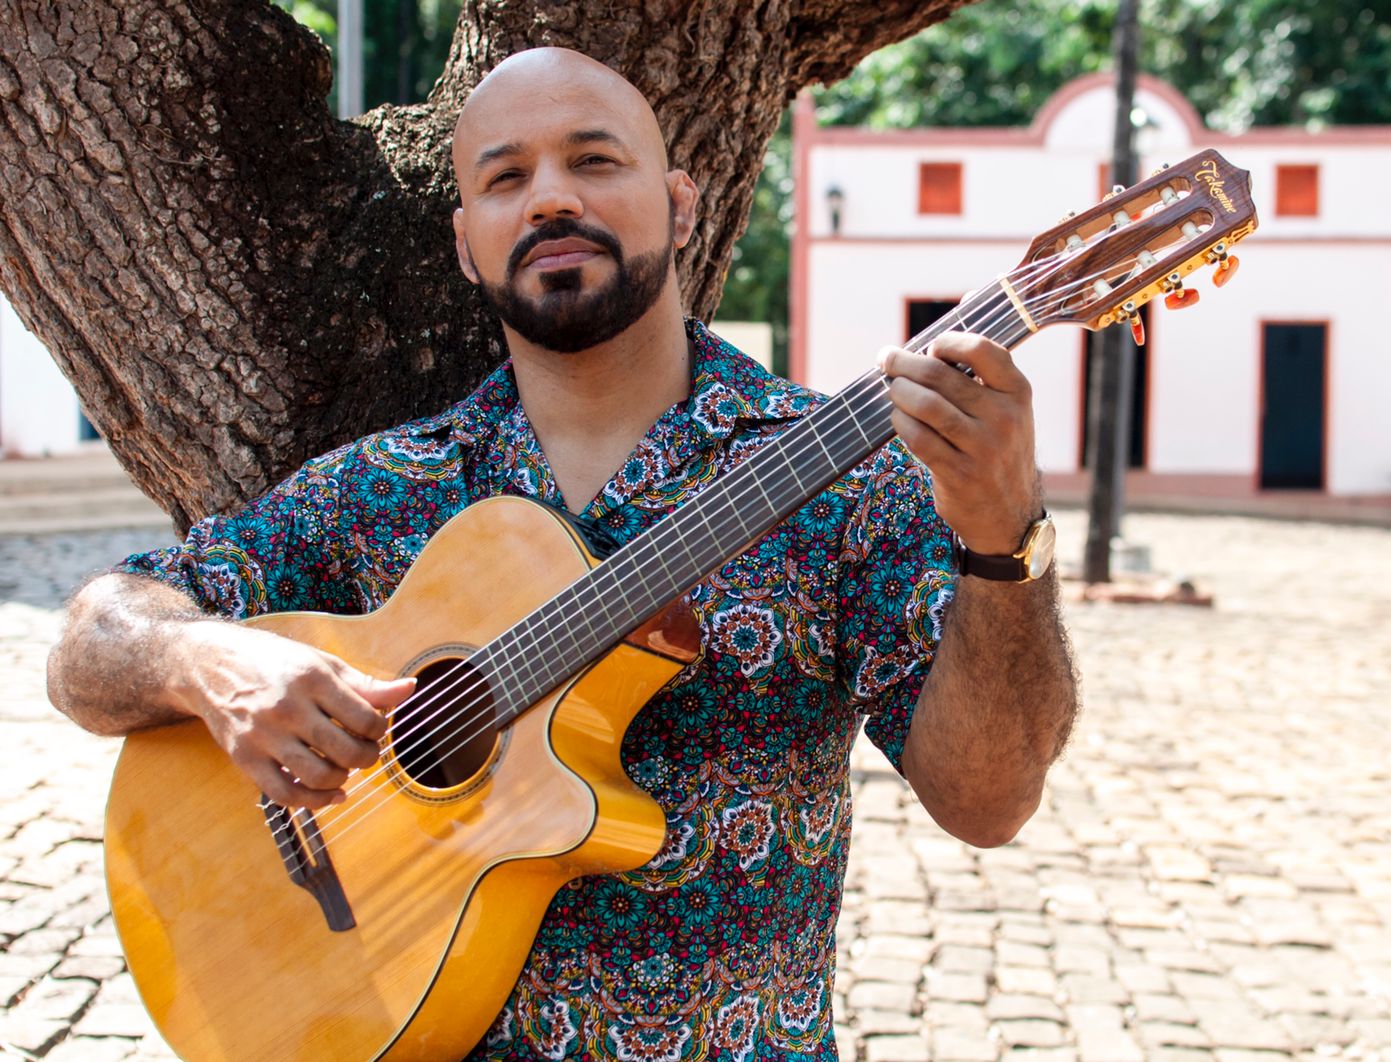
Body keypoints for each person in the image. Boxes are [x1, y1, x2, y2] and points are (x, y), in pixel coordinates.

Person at [48, 47, 1077, 1059]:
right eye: (505, 178)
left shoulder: (847, 482)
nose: (547, 199)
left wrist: (1003, 542)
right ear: (466, 243)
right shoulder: (375, 494)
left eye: (593, 161)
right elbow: (91, 647)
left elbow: (988, 802)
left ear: (681, 206)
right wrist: (207, 664)